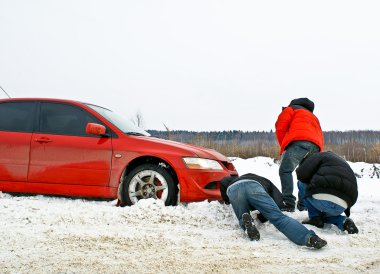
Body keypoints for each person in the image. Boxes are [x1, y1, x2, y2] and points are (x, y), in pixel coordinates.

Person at [220, 173, 327, 249]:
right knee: (279, 218)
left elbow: (225, 195)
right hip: (254, 186)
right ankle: (310, 238)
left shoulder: (228, 183)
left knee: (242, 215)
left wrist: (227, 200)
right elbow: (278, 202)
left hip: (233, 191)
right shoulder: (259, 178)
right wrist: (263, 216)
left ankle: (246, 222)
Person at [275, 97, 324, 212]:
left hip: (299, 141)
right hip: (316, 146)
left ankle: (288, 203)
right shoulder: (313, 117)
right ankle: (303, 204)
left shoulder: (291, 109)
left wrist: (284, 144)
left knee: (285, 170)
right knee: (305, 175)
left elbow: (280, 127)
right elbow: (319, 133)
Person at [296, 151, 359, 234]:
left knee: (301, 183)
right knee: (325, 216)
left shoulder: (318, 156)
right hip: (343, 205)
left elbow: (301, 174)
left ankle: (315, 218)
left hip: (324, 199)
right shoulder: (342, 162)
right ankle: (343, 221)